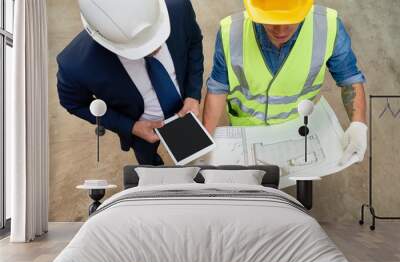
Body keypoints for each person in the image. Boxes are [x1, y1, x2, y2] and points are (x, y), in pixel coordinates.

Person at [203, 0, 367, 165]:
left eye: (290, 19)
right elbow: (218, 89)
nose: (281, 30)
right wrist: (205, 145)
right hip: (245, 129)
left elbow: (349, 79)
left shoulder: (328, 27)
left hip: (295, 128)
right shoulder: (231, 32)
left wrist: (358, 124)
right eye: (272, 20)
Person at [57, 0, 204, 165]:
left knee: (191, 154)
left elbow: (194, 43)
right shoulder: (74, 65)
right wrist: (131, 126)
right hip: (140, 125)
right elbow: (74, 104)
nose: (155, 49)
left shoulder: (178, 7)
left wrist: (193, 94)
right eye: (140, 49)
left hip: (184, 107)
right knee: (149, 165)